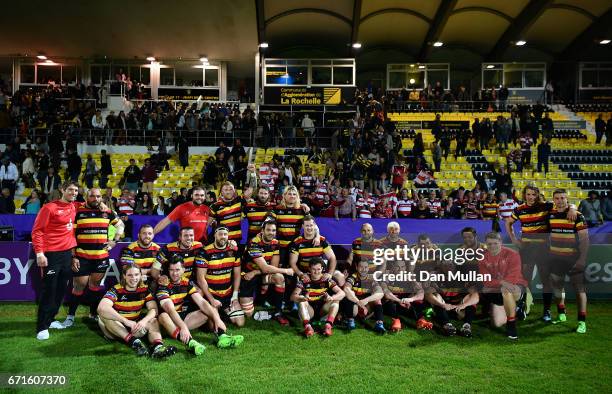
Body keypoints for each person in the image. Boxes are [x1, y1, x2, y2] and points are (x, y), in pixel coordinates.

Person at [505, 185, 576, 320]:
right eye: (528, 194)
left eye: (533, 194)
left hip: (544, 248)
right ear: (524, 195)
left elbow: (564, 204)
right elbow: (508, 222)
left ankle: (547, 310)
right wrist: (514, 239)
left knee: (546, 280)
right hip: (526, 249)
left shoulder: (546, 206)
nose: (531, 197)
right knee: (525, 280)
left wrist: (572, 208)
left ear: (537, 195)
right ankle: (525, 306)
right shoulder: (519, 209)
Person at [63, 188, 124, 327]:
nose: (95, 199)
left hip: (101, 257)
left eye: (98, 196)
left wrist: (115, 240)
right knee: (79, 286)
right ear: (86, 197)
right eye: (92, 196)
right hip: (82, 256)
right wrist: (73, 256)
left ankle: (93, 314)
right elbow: (70, 235)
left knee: (95, 286)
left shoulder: (107, 211)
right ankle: (70, 317)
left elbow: (120, 224)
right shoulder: (78, 211)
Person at [156, 259, 243, 354]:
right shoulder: (163, 284)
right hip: (166, 324)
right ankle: (191, 343)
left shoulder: (186, 282)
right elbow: (170, 310)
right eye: (171, 270)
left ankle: (223, 337)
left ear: (183, 270)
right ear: (168, 271)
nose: (174, 273)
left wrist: (217, 319)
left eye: (177, 270)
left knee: (210, 308)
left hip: (181, 318)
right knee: (163, 315)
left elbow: (202, 302)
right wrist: (183, 327)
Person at [32, 181, 79, 340]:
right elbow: (37, 231)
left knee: (60, 290)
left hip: (66, 255)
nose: (74, 193)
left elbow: (93, 204)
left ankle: (51, 320)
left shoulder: (73, 206)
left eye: (76, 190)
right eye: (71, 190)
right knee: (49, 290)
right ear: (62, 190)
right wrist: (39, 253)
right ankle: (41, 327)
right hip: (51, 254)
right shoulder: (49, 208)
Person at [97, 264, 175, 358]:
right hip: (115, 329)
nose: (134, 278)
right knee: (104, 316)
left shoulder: (144, 289)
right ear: (124, 276)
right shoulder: (116, 289)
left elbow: (154, 309)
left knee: (153, 320)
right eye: (130, 275)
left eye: (136, 275)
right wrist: (125, 321)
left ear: (140, 275)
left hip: (134, 328)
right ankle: (134, 342)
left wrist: (143, 321)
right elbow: (102, 308)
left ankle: (158, 348)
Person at [548, 189, 589, 333]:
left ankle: (582, 322)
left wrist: (582, 260)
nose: (560, 200)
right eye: (557, 198)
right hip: (555, 259)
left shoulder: (577, 216)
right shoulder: (550, 214)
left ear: (567, 199)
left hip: (573, 259)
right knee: (557, 286)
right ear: (553, 200)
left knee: (579, 290)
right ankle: (561, 314)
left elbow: (584, 239)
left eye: (563, 198)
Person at [239, 219, 295, 323]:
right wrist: (286, 271)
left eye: (273, 230)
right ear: (262, 230)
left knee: (279, 277)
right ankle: (242, 300)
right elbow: (265, 267)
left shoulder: (276, 243)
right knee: (248, 313)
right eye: (268, 230)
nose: (271, 233)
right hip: (247, 276)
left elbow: (273, 266)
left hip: (258, 274)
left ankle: (278, 312)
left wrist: (256, 272)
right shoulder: (254, 242)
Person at [479, 232, 527, 340]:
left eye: (495, 243)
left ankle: (511, 325)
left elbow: (513, 277)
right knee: (497, 323)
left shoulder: (512, 254)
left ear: (501, 242)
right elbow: (486, 281)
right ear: (486, 244)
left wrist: (501, 283)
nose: (492, 246)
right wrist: (500, 282)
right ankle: (518, 308)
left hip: (515, 286)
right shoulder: (483, 259)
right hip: (497, 289)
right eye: (489, 244)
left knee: (506, 290)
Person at [195, 227, 245, 327]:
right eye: (220, 234)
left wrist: (235, 296)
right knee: (212, 327)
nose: (223, 237)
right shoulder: (204, 252)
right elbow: (200, 279)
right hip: (211, 294)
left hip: (227, 295)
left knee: (240, 323)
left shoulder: (234, 251)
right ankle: (215, 312)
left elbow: (237, 275)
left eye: (225, 234)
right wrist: (212, 299)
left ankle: (221, 312)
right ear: (214, 235)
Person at [291, 258, 345, 337]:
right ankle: (308, 327)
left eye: (318, 269)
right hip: (310, 312)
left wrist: (331, 298)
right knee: (302, 299)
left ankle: (328, 326)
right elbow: (292, 297)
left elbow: (342, 293)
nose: (316, 272)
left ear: (322, 269)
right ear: (309, 268)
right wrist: (303, 298)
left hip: (323, 310)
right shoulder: (304, 280)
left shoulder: (327, 279)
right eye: (313, 269)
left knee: (336, 300)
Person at [289, 215, 339, 285]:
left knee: (340, 277)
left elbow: (332, 258)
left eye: (311, 225)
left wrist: (329, 273)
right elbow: (292, 263)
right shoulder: (297, 242)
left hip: (321, 273)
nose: (309, 228)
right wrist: (301, 274)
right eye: (307, 226)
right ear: (303, 226)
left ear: (314, 225)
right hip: (305, 273)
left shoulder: (322, 240)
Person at [341, 259, 386, 333]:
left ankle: (379, 323)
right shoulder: (353, 277)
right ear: (356, 267)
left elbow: (380, 293)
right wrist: (358, 302)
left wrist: (366, 300)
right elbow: (346, 289)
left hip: (366, 304)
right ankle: (350, 320)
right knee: (349, 295)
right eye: (361, 267)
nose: (363, 269)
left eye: (365, 267)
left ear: (368, 268)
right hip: (355, 303)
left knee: (377, 299)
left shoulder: (371, 278)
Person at [381, 260, 425, 333]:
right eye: (397, 267)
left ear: (405, 268)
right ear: (392, 267)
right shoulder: (387, 275)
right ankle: (396, 321)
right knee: (388, 301)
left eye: (402, 267)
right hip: (393, 304)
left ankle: (421, 321)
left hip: (406, 304)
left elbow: (421, 293)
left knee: (417, 300)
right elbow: (386, 292)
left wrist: (410, 299)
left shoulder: (410, 277)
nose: (400, 269)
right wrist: (399, 301)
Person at [209, 182, 252, 247]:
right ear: (221, 192)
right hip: (222, 240)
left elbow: (250, 189)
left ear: (234, 190)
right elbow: (207, 224)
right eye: (226, 190)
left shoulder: (239, 200)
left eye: (231, 189)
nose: (228, 192)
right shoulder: (215, 206)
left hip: (238, 240)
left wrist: (252, 174)